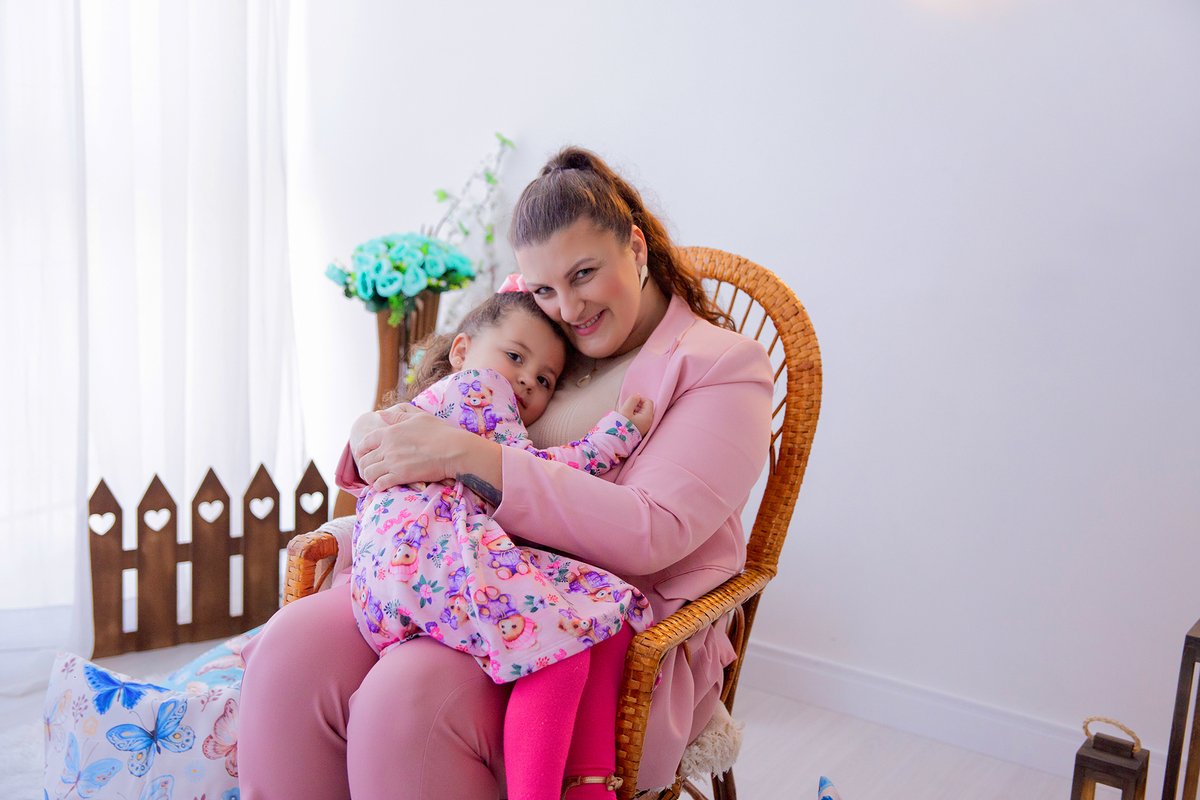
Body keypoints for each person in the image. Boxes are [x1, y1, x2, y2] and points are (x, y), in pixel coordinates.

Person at [239, 146, 775, 799]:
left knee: (406, 699)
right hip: (467, 573)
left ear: (635, 247)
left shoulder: (722, 366)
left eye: (585, 274)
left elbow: (650, 534)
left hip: (603, 633)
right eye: (548, 287)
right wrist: (376, 431)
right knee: (291, 649)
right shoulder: (539, 314)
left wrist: (472, 459)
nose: (570, 308)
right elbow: (443, 397)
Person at [344, 287, 655, 800]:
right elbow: (533, 474)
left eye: (544, 380)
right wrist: (616, 434)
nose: (525, 381)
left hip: (380, 591)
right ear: (462, 352)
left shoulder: (421, 410)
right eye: (515, 356)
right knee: (563, 647)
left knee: (579, 607)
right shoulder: (476, 391)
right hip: (431, 559)